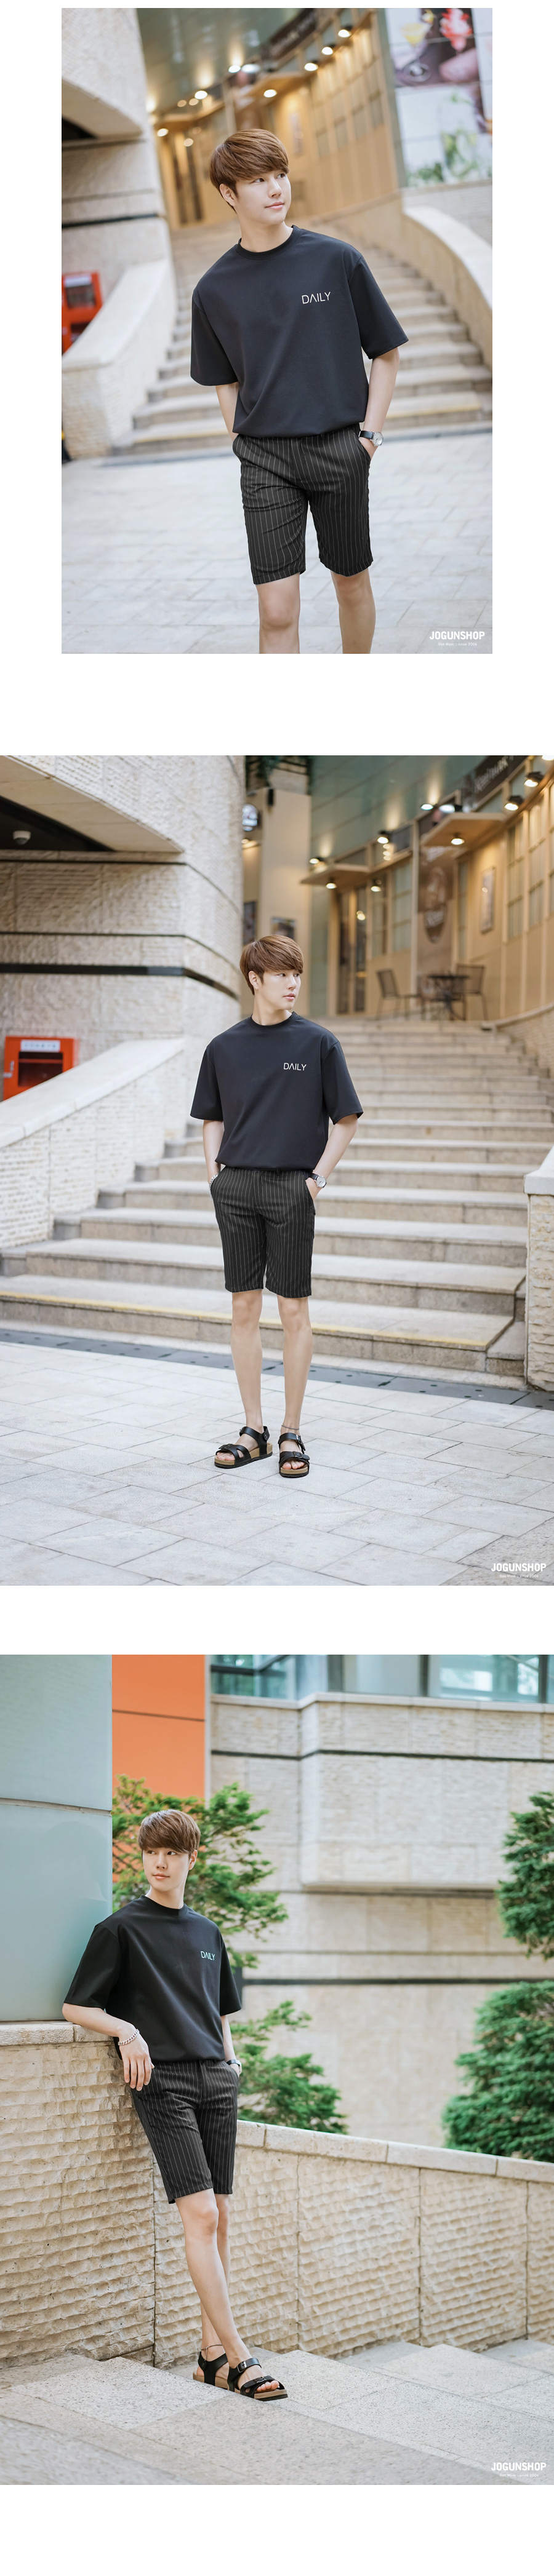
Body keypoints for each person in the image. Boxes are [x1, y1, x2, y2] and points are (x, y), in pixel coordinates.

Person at [62, 1807, 287, 2401]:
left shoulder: (208, 1933)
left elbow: (218, 2011)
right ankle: (240, 2357)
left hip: (216, 2080)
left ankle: (210, 2357)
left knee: (222, 2215)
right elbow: (76, 2006)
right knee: (203, 2216)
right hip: (164, 2084)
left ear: (191, 1859)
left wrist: (230, 2063)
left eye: (171, 1853)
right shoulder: (120, 1929)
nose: (159, 1863)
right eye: (150, 1853)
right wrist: (127, 2032)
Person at [190, 129, 407, 656]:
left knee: (350, 583)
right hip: (265, 460)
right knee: (276, 610)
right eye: (258, 180)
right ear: (228, 193)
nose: (275, 189)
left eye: (280, 175)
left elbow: (386, 353)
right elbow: (224, 381)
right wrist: (241, 439)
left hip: (340, 451)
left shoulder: (336, 260)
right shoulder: (213, 290)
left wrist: (369, 439)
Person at [190, 931, 363, 1477]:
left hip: (293, 1188)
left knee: (292, 1309)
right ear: (255, 979)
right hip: (237, 1189)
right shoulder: (223, 1047)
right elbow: (212, 1117)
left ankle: (291, 1430)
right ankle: (254, 1430)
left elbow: (346, 1119)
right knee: (244, 1307)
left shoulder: (318, 1043)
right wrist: (215, 1177)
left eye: (297, 974)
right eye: (282, 974)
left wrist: (315, 1181)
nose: (293, 984)